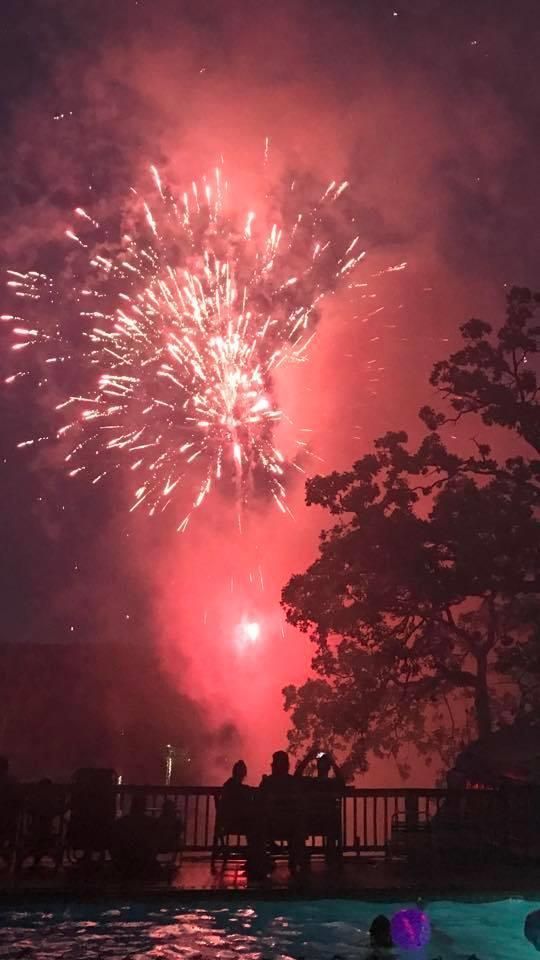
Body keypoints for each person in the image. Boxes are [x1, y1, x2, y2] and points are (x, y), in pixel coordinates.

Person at [259, 751, 306, 872]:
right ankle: (295, 859)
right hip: (285, 825)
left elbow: (260, 800)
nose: (272, 765)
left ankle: (264, 857)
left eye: (275, 762)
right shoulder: (291, 782)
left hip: (275, 825)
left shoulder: (269, 782)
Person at [295, 747, 345, 861]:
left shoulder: (310, 783)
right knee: (333, 820)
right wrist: (332, 761)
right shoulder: (331, 784)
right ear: (329, 767)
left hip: (310, 822)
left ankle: (302, 856)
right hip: (327, 823)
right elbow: (341, 781)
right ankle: (331, 856)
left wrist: (308, 758)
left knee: (301, 821)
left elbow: (296, 778)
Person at [110, 793, 158, 877]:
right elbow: (155, 843)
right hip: (144, 859)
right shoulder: (151, 823)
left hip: (125, 859)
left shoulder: (121, 822)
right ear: (144, 807)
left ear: (132, 806)